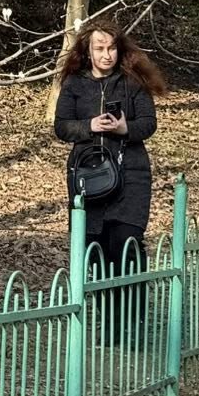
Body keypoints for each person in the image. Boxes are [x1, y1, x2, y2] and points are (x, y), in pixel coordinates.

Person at [54, 23, 164, 327]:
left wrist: (124, 128)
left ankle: (133, 320)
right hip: (89, 178)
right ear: (87, 52)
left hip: (131, 177)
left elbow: (149, 123)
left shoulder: (132, 82)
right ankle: (111, 323)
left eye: (112, 48)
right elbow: (61, 126)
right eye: (100, 49)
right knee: (96, 252)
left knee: (126, 244)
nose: (107, 55)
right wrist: (89, 126)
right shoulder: (75, 84)